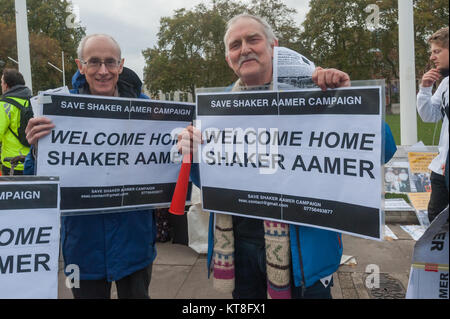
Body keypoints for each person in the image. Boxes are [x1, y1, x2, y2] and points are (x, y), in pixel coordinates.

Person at [178, 14, 397, 299]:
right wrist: (191, 155)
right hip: (239, 245)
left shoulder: (316, 95)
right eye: (235, 44)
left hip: (303, 251)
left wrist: (347, 100)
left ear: (273, 47)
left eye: (253, 40)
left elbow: (384, 150)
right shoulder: (216, 108)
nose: (244, 49)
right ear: (228, 58)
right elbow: (208, 181)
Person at [24, 34, 156, 299]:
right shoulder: (56, 111)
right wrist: (38, 148)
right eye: (94, 62)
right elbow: (35, 178)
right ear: (80, 65)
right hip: (82, 248)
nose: (103, 71)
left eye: (110, 62)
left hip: (135, 243)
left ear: (121, 65)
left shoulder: (147, 109)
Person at [417, 27, 449, 223]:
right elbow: (429, 115)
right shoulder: (445, 84)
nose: (432, 57)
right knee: (436, 220)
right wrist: (425, 89)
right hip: (442, 167)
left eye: (437, 51)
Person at [0, 68, 32, 175]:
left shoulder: (4, 105)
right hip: (32, 161)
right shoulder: (33, 101)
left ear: (7, 85)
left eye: (2, 82)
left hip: (12, 163)